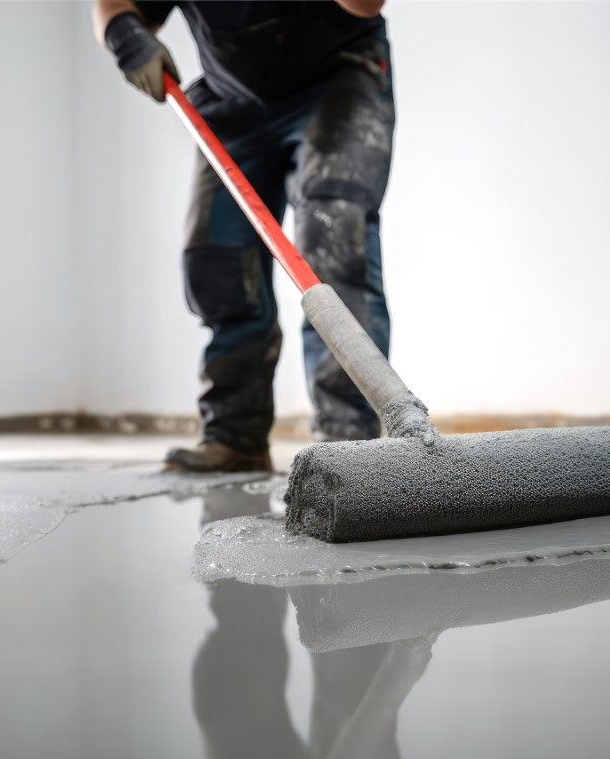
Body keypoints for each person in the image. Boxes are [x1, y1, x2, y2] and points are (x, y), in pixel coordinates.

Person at [94, 0, 395, 472]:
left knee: (335, 240)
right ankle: (235, 437)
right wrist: (127, 37)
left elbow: (364, 6)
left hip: (336, 82)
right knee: (220, 262)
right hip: (231, 100)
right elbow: (118, 6)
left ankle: (350, 443)